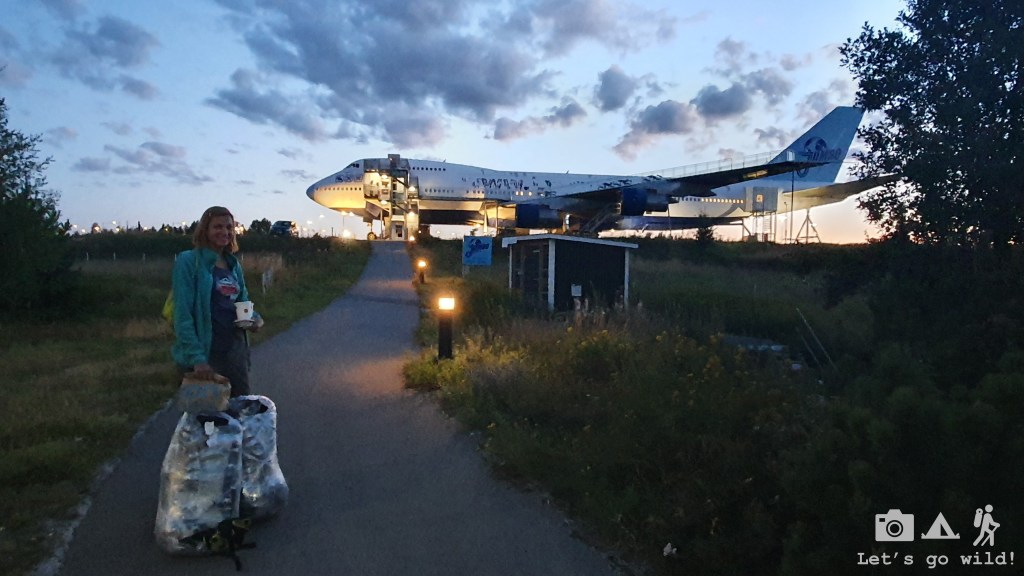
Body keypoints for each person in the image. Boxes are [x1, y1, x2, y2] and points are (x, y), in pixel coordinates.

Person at [171, 206, 262, 397]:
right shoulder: (189, 261)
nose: (224, 232)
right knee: (207, 411)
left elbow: (242, 301)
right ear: (205, 230)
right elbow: (183, 314)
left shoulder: (233, 264)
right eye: (217, 227)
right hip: (206, 354)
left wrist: (254, 319)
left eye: (229, 227)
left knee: (240, 408)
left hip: (234, 353)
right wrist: (197, 359)